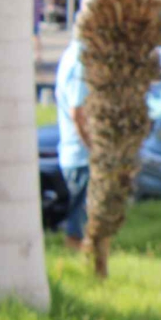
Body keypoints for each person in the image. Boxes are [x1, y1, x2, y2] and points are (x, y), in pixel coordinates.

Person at [55, 36, 92, 251]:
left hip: (73, 154)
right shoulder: (80, 62)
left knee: (78, 222)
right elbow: (78, 112)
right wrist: (93, 147)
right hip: (81, 157)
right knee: (77, 228)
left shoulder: (70, 55)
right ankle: (76, 262)